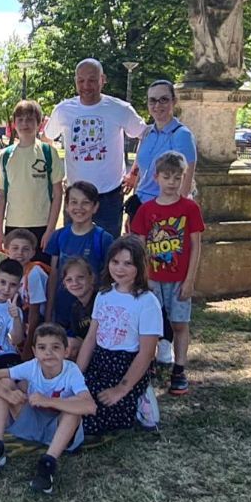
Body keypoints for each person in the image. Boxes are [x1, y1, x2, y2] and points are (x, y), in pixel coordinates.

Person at [0, 323, 96, 494]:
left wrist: (49, 401)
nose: (48, 353)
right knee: (5, 384)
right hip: (30, 423)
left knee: (73, 411)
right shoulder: (32, 366)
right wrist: (8, 394)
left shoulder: (72, 371)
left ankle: (48, 464)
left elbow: (90, 406)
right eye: (42, 347)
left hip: (58, 432)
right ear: (34, 351)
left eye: (55, 347)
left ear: (66, 351)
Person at [44, 59, 148, 236]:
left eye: (92, 80)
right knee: (73, 248)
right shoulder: (63, 110)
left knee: (108, 249)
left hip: (109, 196)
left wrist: (134, 173)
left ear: (103, 79)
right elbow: (47, 138)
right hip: (75, 197)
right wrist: (56, 174)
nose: (86, 86)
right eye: (81, 80)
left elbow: (145, 136)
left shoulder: (119, 108)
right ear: (75, 81)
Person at [130, 151, 205, 396]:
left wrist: (190, 279)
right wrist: (143, 278)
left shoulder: (189, 208)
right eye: (166, 177)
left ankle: (179, 369)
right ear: (156, 177)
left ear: (184, 178)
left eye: (177, 177)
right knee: (152, 325)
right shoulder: (146, 210)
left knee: (179, 323)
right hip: (153, 279)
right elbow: (140, 247)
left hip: (179, 278)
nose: (172, 182)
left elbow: (195, 244)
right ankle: (150, 364)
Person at [76, 236, 162, 435]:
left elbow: (147, 353)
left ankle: (141, 398)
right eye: (115, 262)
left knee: (89, 421)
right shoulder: (103, 295)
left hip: (125, 368)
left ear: (139, 266)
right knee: (71, 404)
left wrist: (121, 389)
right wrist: (76, 375)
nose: (119, 268)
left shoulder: (147, 302)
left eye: (128, 263)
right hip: (99, 363)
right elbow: (90, 338)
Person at [0, 100, 65, 265]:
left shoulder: (48, 152)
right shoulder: (6, 156)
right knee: (15, 273)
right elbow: (2, 196)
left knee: (40, 272)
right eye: (20, 119)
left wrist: (50, 229)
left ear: (39, 124)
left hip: (42, 225)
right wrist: (0, 232)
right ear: (14, 124)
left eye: (30, 119)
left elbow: (58, 194)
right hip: (14, 224)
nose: (25, 123)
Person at [123, 80, 197, 228]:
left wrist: (174, 220)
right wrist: (133, 209)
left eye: (163, 99)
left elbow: (186, 182)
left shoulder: (182, 135)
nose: (157, 105)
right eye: (152, 100)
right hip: (141, 208)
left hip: (165, 212)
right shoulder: (147, 133)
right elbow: (141, 175)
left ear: (174, 101)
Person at [45, 180, 114, 316]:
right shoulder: (58, 236)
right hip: (63, 310)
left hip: (93, 312)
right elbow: (54, 276)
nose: (79, 207)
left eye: (85, 203)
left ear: (95, 207)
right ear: (67, 206)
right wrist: (48, 311)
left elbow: (109, 279)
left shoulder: (103, 239)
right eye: (74, 202)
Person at [4, 228, 49, 359]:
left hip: (39, 319)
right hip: (23, 315)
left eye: (25, 249)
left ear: (33, 253)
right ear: (6, 250)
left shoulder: (34, 273)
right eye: (15, 248)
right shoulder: (10, 270)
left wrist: (28, 348)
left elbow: (35, 314)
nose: (20, 253)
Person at [51, 256, 96, 359]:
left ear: (91, 278)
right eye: (69, 280)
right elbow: (79, 338)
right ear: (64, 284)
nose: (75, 283)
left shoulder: (101, 300)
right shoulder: (75, 309)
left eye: (80, 277)